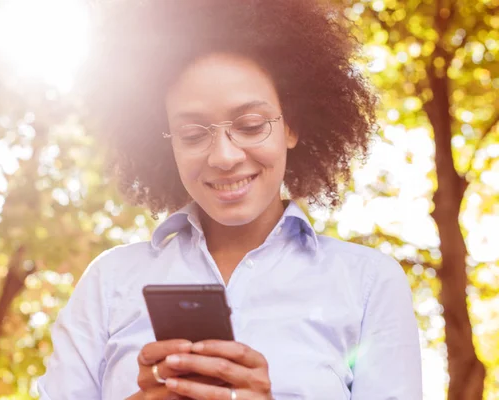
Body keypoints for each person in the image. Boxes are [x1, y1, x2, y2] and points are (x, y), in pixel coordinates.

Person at [37, 0, 422, 398]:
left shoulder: (368, 283)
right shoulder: (109, 281)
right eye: (192, 134)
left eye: (251, 125)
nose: (223, 156)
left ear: (291, 125)